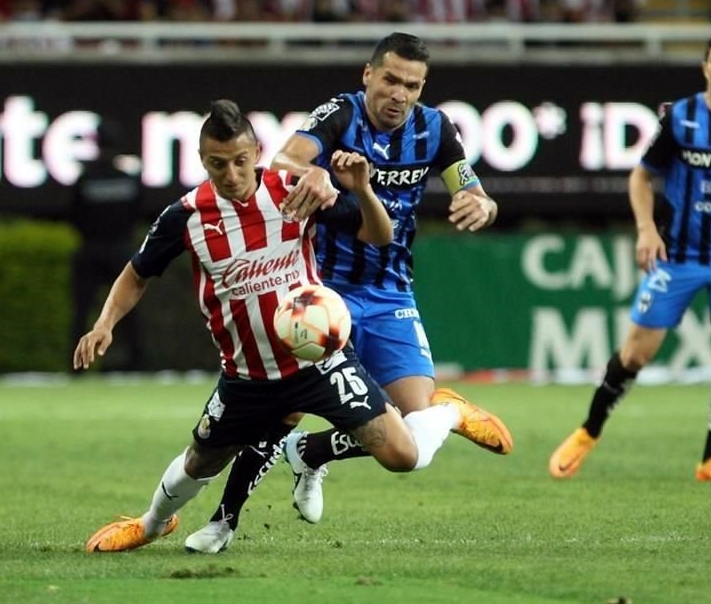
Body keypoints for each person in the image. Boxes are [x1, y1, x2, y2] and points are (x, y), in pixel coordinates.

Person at [78, 100, 491, 552]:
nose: (231, 174)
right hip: (247, 377)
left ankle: (447, 412)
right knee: (202, 461)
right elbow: (137, 274)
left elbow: (379, 234)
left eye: (240, 161)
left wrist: (362, 191)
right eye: (218, 165)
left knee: (403, 456)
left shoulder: (292, 192)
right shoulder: (187, 216)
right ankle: (152, 524)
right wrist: (104, 324)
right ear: (203, 161)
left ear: (256, 152)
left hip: (321, 364)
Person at [184, 31, 512, 554]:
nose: (399, 94)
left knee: (413, 428)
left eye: (412, 85)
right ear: (368, 75)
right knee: (282, 409)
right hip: (321, 291)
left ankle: (312, 454)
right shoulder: (339, 113)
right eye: (390, 80)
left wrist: (482, 205)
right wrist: (316, 175)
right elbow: (286, 163)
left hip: (390, 290)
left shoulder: (436, 130)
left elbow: (471, 188)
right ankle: (225, 519)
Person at [548, 30, 711, 484]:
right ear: (705, 68)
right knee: (636, 355)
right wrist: (646, 229)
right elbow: (641, 178)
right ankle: (589, 431)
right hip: (678, 256)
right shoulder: (681, 119)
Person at [70, 119, 143, 370]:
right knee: (127, 308)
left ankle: (76, 366)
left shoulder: (86, 179)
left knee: (81, 310)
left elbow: (74, 214)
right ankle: (136, 364)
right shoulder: (128, 179)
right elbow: (138, 212)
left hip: (91, 250)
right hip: (121, 251)